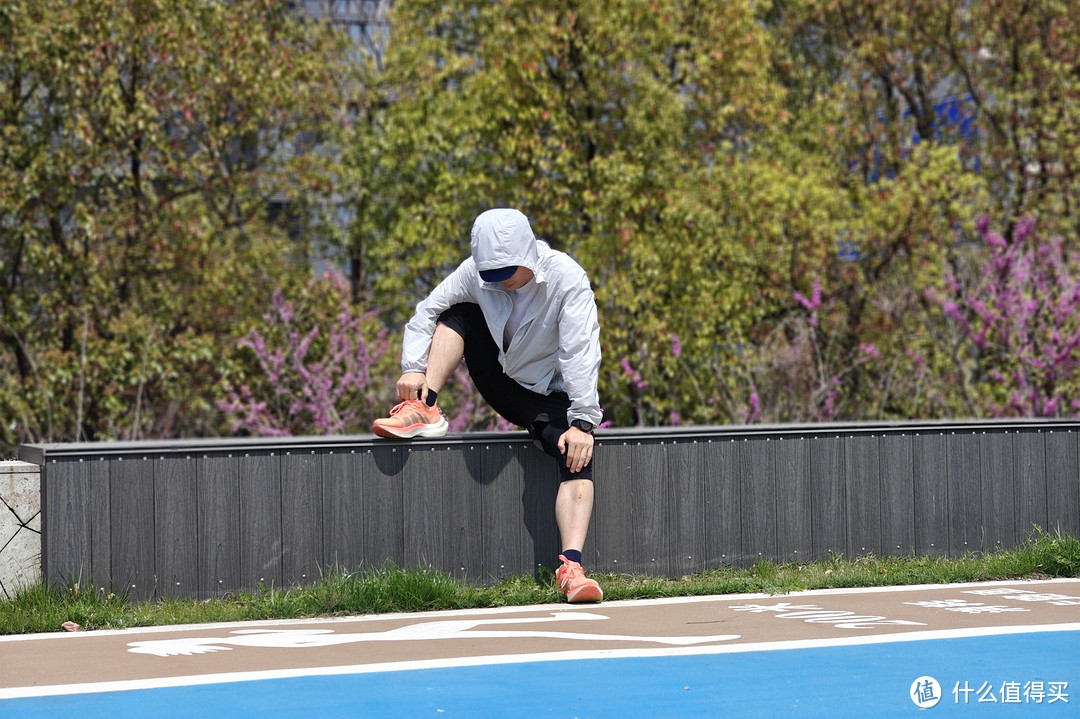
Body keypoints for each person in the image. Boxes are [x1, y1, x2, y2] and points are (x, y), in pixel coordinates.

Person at [371, 208, 604, 603]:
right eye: (489, 273)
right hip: (499, 380)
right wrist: (412, 368)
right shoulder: (473, 273)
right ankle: (425, 407)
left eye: (506, 271)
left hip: (550, 394)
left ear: (528, 255)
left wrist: (581, 422)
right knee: (457, 313)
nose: (497, 281)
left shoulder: (567, 278)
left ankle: (571, 568)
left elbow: (581, 351)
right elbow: (426, 310)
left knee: (575, 454)